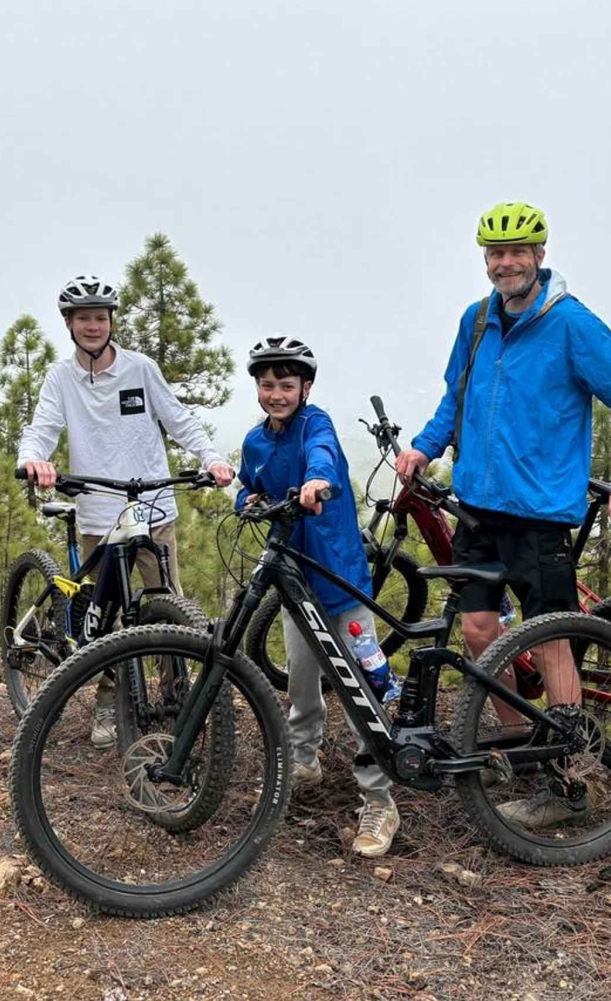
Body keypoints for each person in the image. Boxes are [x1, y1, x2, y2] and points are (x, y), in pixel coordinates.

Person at [395, 201, 611, 827]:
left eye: (518, 251)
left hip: (541, 513)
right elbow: (455, 398)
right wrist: (425, 447)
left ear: (540, 256)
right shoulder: (477, 320)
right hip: (479, 510)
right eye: (496, 253)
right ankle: (524, 752)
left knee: (549, 643)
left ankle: (570, 782)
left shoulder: (572, 324)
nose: (506, 262)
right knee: (481, 634)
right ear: (485, 259)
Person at [17, 275, 235, 748]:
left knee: (168, 606)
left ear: (111, 321)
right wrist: (32, 458)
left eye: (100, 317)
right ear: (69, 324)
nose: (93, 326)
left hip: (153, 509)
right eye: (83, 319)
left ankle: (177, 696)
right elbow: (42, 428)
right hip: (98, 512)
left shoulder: (140, 369)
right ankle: (108, 701)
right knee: (106, 618)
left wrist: (211, 458)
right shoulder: (61, 377)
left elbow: (179, 419)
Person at [235, 336, 401, 857]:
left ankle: (379, 799)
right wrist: (247, 499)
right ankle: (302, 760)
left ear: (305, 387)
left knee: (360, 688)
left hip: (336, 576)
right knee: (301, 683)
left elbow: (324, 458)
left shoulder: (316, 425)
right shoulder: (256, 440)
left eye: (287, 385)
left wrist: (316, 482)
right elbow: (246, 484)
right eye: (268, 385)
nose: (277, 393)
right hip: (292, 579)